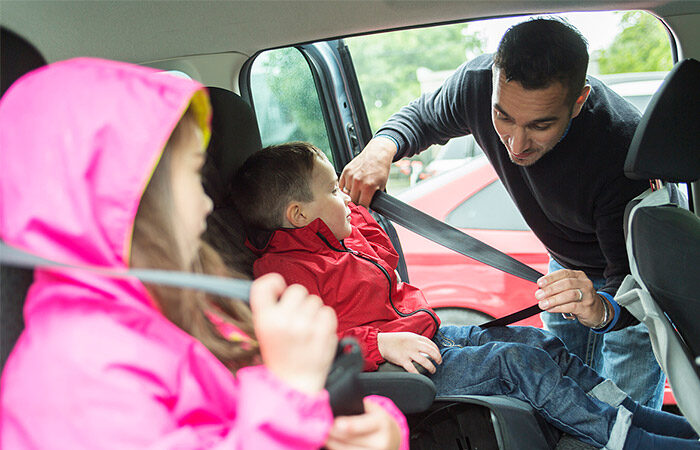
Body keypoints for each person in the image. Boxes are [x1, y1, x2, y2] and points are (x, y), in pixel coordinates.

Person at [0, 58, 408, 449]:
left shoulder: (188, 312)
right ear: (129, 199)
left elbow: (257, 411)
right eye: (195, 176)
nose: (207, 204)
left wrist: (371, 424)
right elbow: (278, 408)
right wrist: (292, 394)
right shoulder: (72, 377)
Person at [232, 141, 699, 450]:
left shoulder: (342, 236)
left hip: (432, 334)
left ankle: (631, 413)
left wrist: (355, 212)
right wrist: (380, 346)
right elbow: (307, 343)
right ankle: (624, 440)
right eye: (333, 189)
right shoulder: (285, 271)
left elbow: (383, 258)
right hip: (398, 363)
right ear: (298, 214)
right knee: (516, 364)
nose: (345, 197)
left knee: (539, 342)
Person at [338, 17, 666, 409]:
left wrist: (602, 309)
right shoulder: (478, 84)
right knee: (564, 402)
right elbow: (423, 117)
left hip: (627, 280)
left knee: (625, 418)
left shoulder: (621, 151)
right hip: (561, 269)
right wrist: (382, 148)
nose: (516, 143)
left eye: (540, 125)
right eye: (503, 117)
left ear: (578, 102)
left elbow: (632, 287)